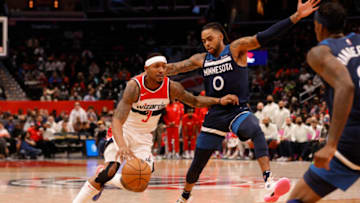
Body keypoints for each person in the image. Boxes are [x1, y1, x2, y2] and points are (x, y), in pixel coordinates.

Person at [165, 0, 320, 202]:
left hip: (237, 110)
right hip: (215, 113)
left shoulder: (236, 48)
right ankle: (185, 197)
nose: (207, 44)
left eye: (210, 39)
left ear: (220, 36)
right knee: (197, 164)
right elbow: (175, 68)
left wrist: (296, 17)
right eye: (204, 41)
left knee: (255, 129)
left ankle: (269, 182)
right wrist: (151, 70)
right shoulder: (200, 59)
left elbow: (266, 36)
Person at [72, 53, 239, 203]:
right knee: (110, 170)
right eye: (156, 67)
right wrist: (122, 146)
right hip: (125, 131)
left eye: (164, 67)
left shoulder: (171, 87)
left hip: (144, 136)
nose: (161, 70)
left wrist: (219, 100)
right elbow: (116, 121)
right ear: (146, 69)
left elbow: (194, 101)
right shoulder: (134, 86)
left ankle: (108, 180)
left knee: (140, 183)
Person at [287, 2, 360, 202]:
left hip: (352, 141)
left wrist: (331, 144)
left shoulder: (319, 52)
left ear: (318, 26)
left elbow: (346, 86)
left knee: (298, 199)